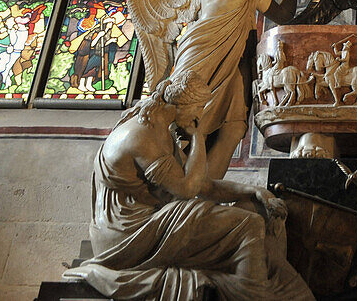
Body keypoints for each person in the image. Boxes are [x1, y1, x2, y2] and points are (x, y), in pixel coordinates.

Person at [64, 71, 313, 300]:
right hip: (128, 235)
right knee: (249, 225)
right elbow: (188, 189)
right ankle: (254, 293)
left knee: (253, 208)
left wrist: (255, 191)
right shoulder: (142, 137)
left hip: (150, 224)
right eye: (199, 109)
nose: (199, 116)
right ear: (183, 105)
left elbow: (205, 185)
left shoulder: (158, 130)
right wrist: (197, 137)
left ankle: (254, 283)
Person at [169, 0, 300, 179]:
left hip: (237, 57)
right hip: (205, 49)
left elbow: (284, 15)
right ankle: (171, 186)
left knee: (234, 125)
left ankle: (205, 193)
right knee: (190, 118)